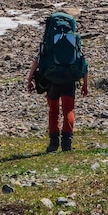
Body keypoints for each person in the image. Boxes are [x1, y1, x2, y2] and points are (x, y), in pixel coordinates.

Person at [27, 15, 88, 153]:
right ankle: (67, 143)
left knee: (53, 111)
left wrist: (30, 79)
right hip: (70, 78)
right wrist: (85, 84)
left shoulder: (49, 40)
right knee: (69, 110)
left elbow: (38, 60)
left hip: (52, 78)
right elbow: (83, 62)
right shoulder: (74, 39)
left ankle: (53, 143)